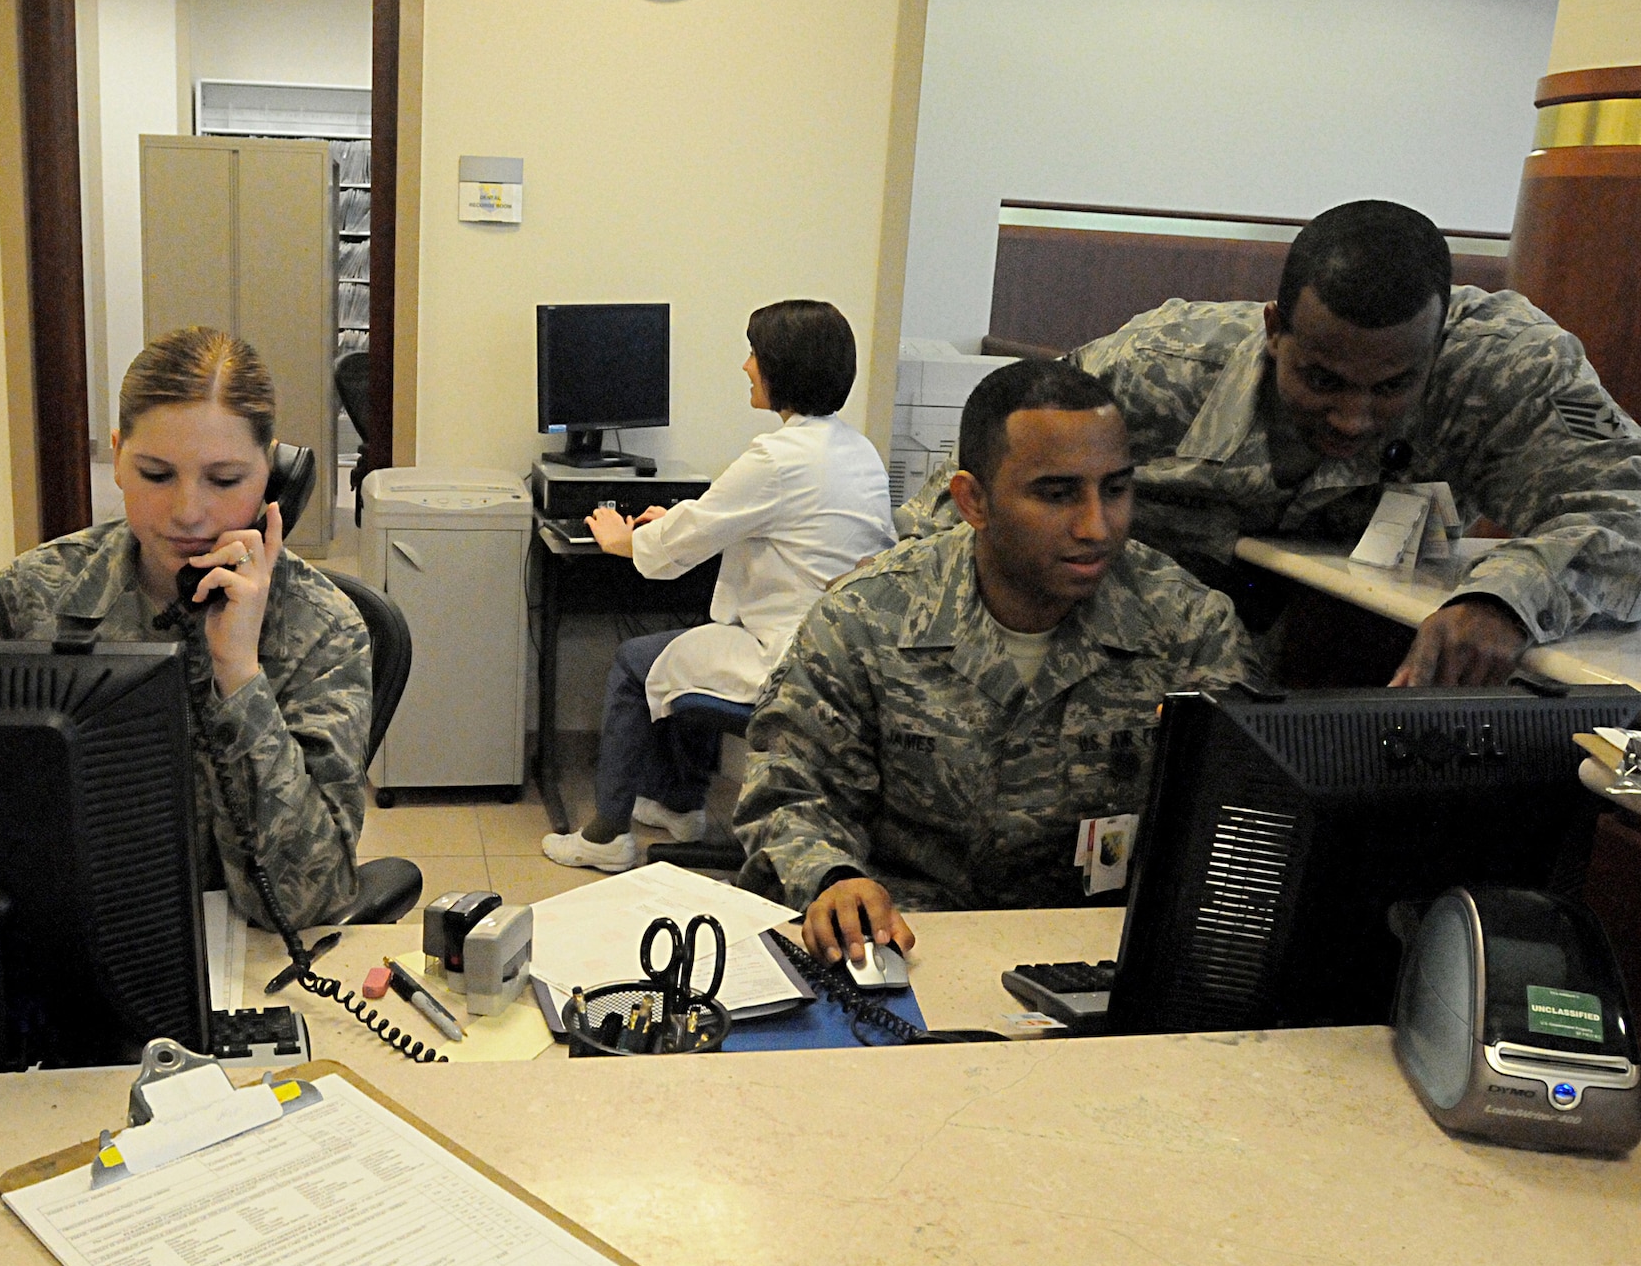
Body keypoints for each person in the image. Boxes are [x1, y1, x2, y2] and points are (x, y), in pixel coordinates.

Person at [898, 200, 1641, 687]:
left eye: (1392, 387)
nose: (1352, 419)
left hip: (1356, 674)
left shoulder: (1507, 369)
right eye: (1321, 380)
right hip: (1126, 657)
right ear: (1274, 330)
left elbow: (1626, 512)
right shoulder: (1162, 366)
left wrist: (1507, 599)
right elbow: (969, 499)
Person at [737, 359, 1259, 966]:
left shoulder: (1188, 627)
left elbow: (1241, 826)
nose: (1096, 526)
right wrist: (833, 878)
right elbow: (790, 786)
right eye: (1057, 494)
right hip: (907, 941)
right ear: (973, 501)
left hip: (1095, 949)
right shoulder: (867, 618)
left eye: (1116, 489)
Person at [0, 326, 370, 930]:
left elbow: (307, 901)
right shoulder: (32, 594)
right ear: (118, 458)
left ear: (276, 475)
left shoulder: (324, 629)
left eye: (224, 480)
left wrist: (238, 675)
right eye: (156, 474)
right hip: (56, 929)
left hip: (237, 952)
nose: (188, 512)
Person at [542, 299, 898, 872]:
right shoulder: (858, 451)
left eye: (754, 354)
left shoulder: (776, 459)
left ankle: (606, 835)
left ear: (781, 368)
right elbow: (746, 521)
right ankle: (680, 806)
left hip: (788, 660)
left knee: (635, 662)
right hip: (846, 660)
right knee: (691, 641)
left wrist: (621, 539)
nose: (745, 366)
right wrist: (680, 521)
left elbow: (678, 546)